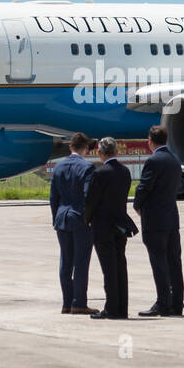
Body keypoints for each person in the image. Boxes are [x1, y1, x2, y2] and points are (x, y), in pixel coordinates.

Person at [133, 125, 184, 316]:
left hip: (154, 219)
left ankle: (163, 302)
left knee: (159, 262)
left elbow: (144, 187)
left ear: (150, 141)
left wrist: (137, 204)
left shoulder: (153, 161)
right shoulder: (174, 159)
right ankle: (177, 303)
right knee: (174, 262)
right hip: (171, 217)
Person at [84, 137, 137, 319]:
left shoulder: (100, 173)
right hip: (120, 224)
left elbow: (91, 200)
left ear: (100, 153)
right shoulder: (125, 171)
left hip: (103, 225)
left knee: (109, 268)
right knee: (120, 266)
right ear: (117, 151)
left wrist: (87, 219)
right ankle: (122, 307)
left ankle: (111, 307)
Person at [49, 133, 97, 314]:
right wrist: (89, 218)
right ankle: (79, 302)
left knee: (65, 261)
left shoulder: (58, 167)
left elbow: (53, 197)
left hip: (62, 218)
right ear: (86, 149)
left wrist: (56, 218)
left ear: (70, 147)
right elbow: (88, 196)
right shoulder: (87, 167)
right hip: (80, 219)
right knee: (81, 262)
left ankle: (66, 302)